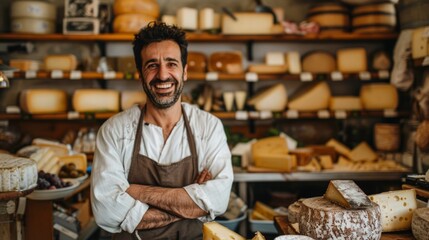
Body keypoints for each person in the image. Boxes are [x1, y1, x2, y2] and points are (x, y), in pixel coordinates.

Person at [90, 21, 234, 240]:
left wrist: (136, 191)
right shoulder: (114, 131)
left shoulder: (208, 127)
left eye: (171, 63)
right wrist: (191, 204)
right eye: (152, 65)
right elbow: (106, 211)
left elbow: (219, 199)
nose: (163, 75)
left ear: (184, 72)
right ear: (140, 74)